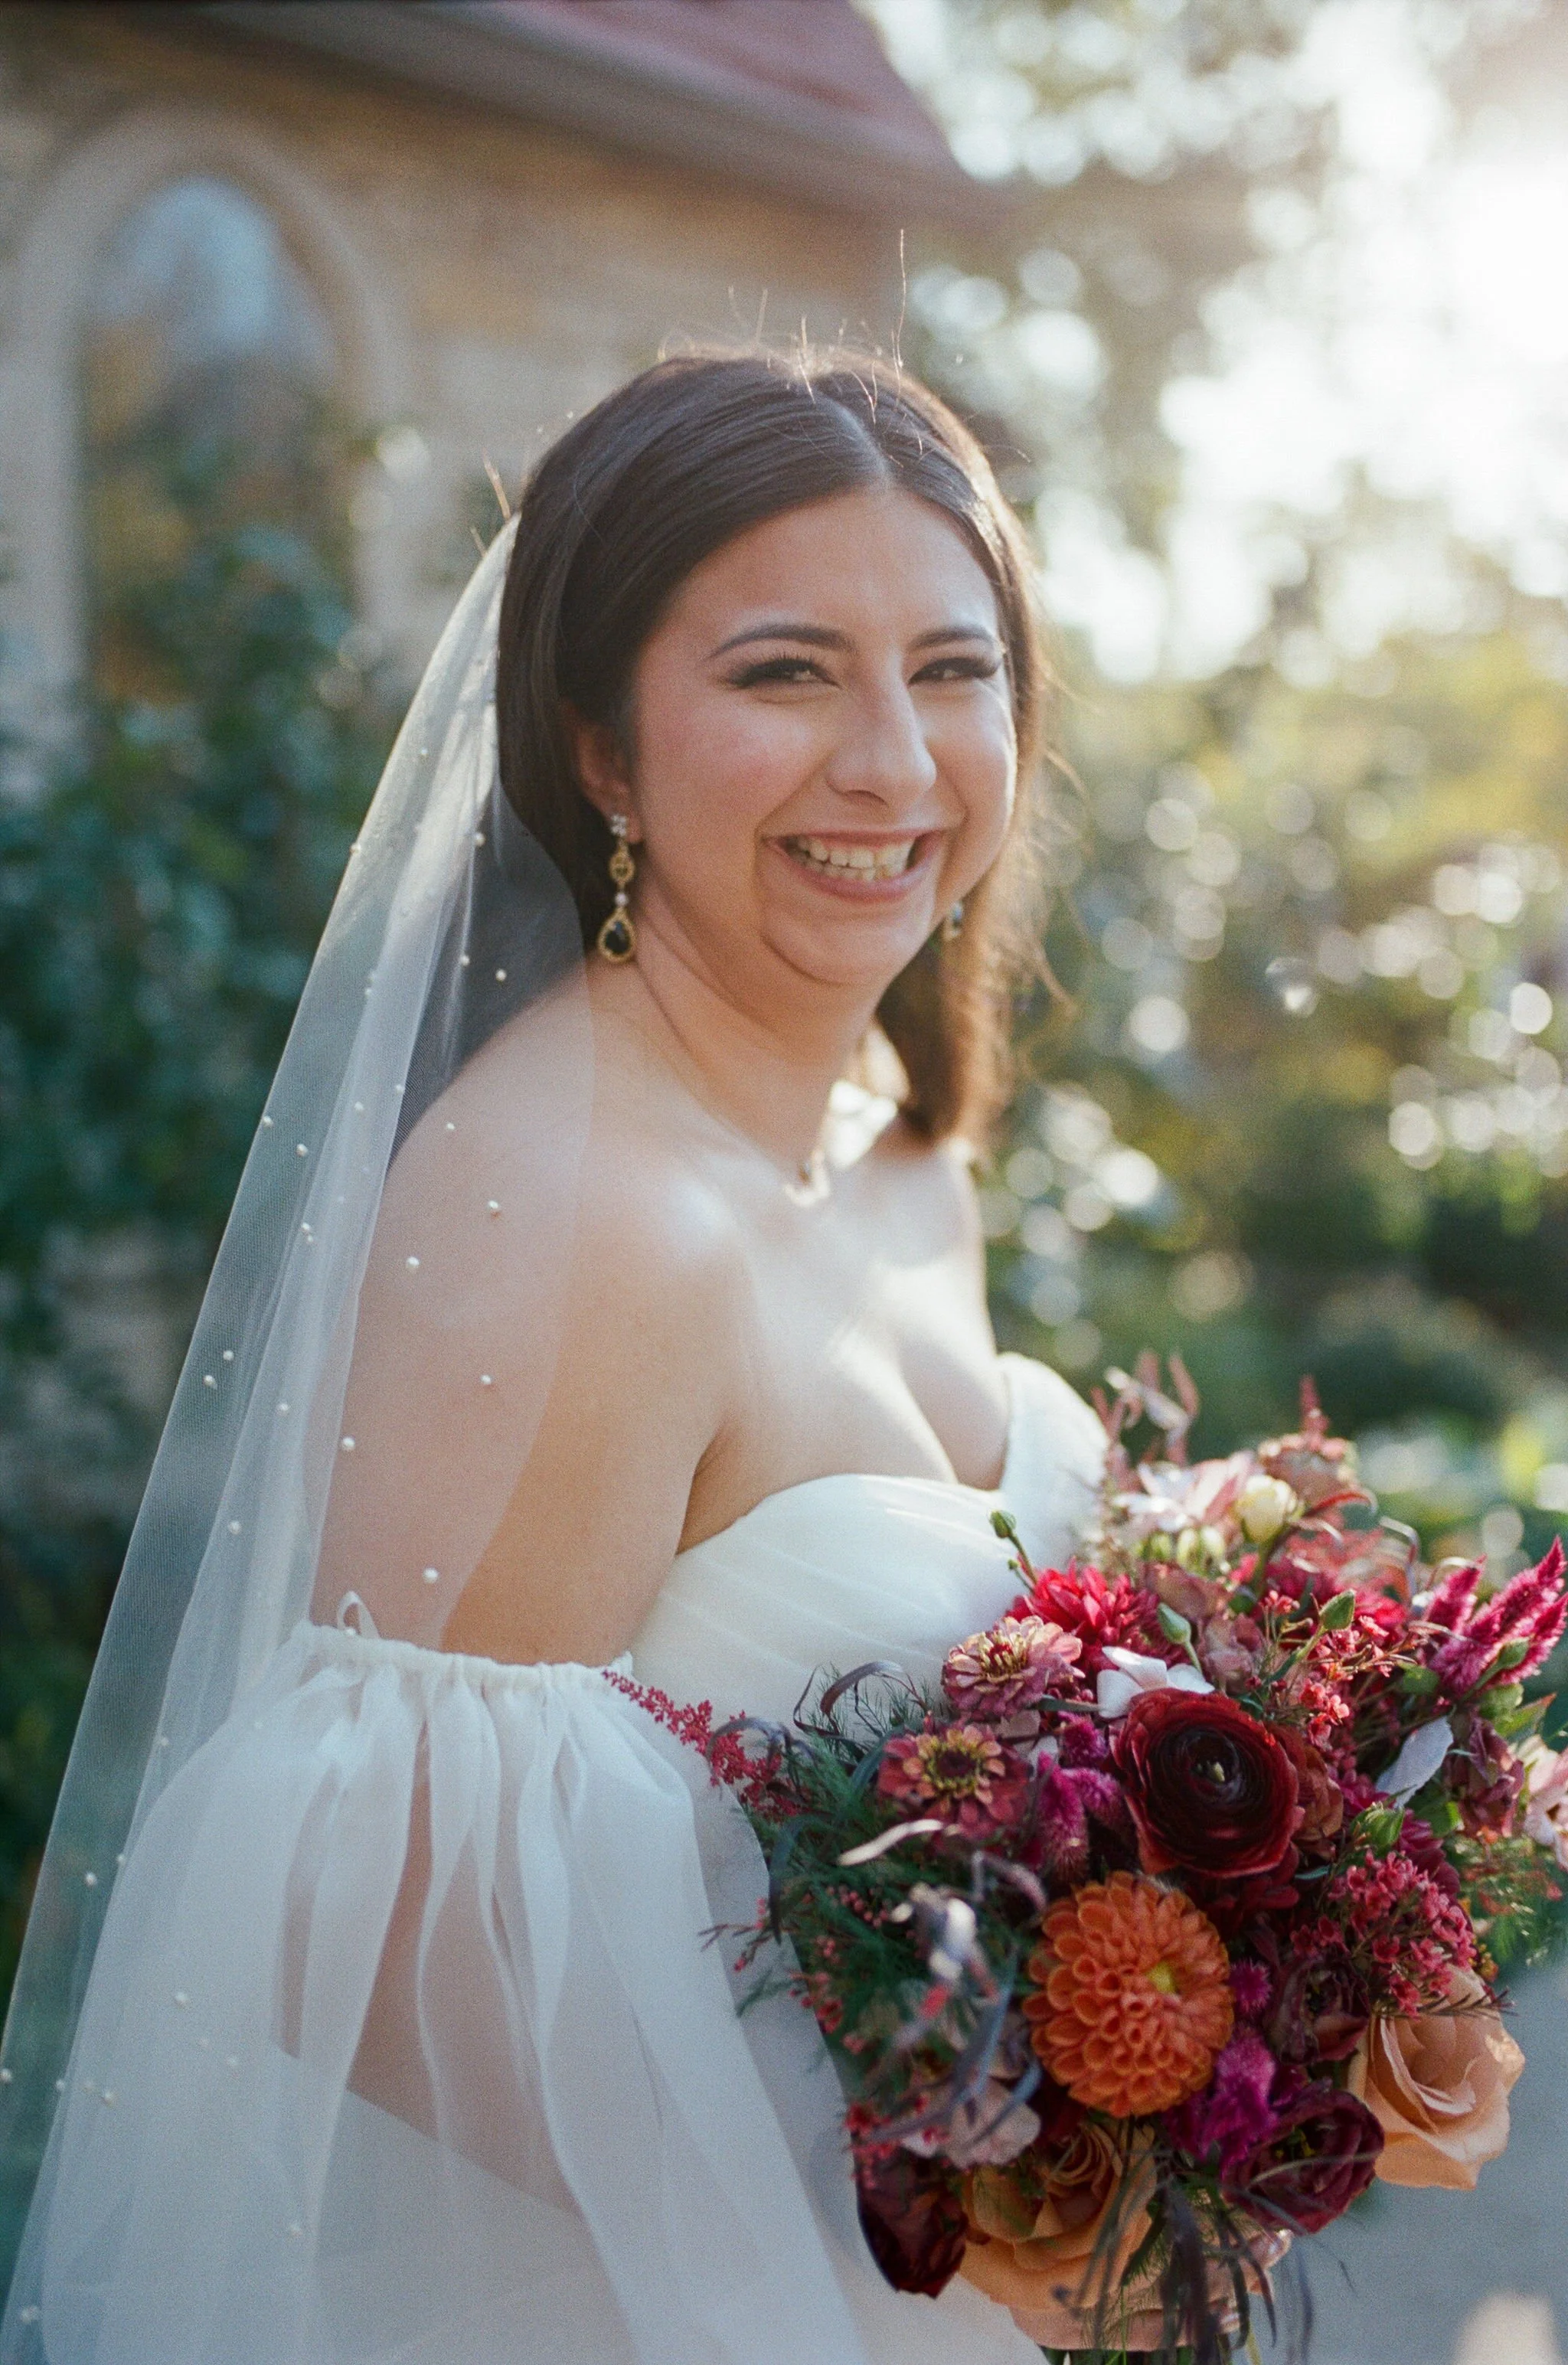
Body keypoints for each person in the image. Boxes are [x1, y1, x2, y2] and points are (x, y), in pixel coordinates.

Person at [0, 351, 1106, 2364]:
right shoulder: (567, 1210)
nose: (893, 761)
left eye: (954, 670)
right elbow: (357, 1919)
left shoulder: (899, 1141)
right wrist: (923, 2219)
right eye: (786, 673)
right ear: (601, 747)